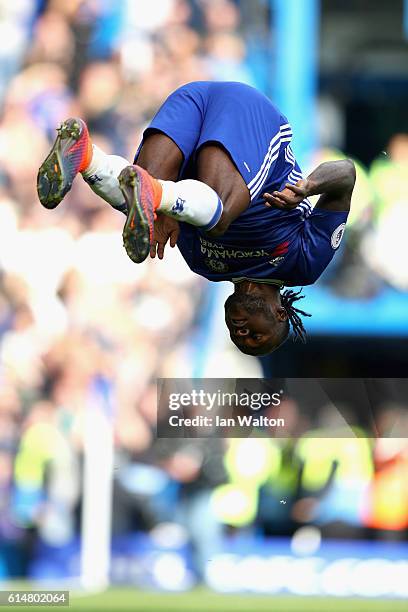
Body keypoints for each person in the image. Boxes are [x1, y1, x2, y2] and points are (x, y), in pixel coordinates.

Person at [37, 81, 355, 356]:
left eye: (237, 337)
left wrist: (163, 212)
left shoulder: (203, 265)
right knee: (218, 217)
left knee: (138, 199)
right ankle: (159, 195)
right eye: (256, 335)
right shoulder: (303, 264)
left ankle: (85, 156)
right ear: (281, 313)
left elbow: (181, 207)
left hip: (189, 103)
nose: (241, 332)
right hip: (249, 116)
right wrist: (308, 187)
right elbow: (346, 176)